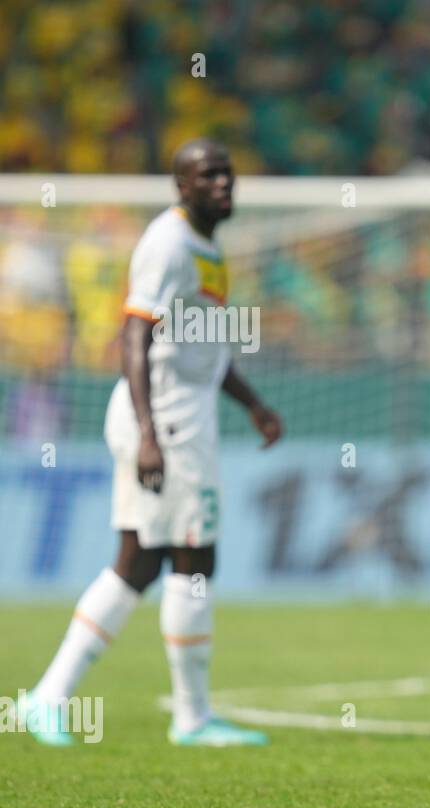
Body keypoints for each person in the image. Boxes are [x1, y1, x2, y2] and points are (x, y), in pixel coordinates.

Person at [21, 139, 282, 747]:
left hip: (179, 416)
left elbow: (203, 346)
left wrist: (254, 406)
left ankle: (46, 697)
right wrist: (147, 433)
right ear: (181, 186)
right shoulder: (168, 245)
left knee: (137, 563)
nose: (223, 184)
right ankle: (191, 719)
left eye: (228, 173)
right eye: (208, 175)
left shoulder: (207, 246)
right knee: (195, 558)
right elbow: (133, 337)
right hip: (165, 421)